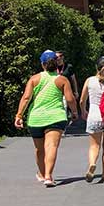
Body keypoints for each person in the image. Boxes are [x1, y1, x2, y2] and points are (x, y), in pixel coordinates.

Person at [14, 49, 79, 187]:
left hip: (36, 119)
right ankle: (49, 176)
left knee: (39, 149)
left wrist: (19, 115)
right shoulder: (62, 80)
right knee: (51, 146)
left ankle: (42, 175)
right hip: (56, 117)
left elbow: (26, 98)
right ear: (57, 64)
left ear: (42, 64)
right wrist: (74, 112)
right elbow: (70, 99)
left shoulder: (34, 79)